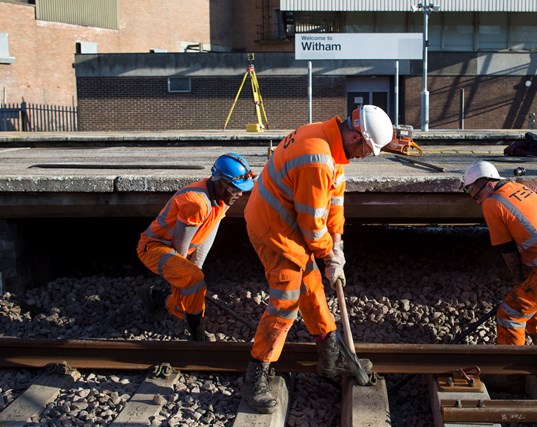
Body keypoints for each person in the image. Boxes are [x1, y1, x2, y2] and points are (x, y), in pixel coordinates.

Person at [241, 105, 394, 413]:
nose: (366, 155)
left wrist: (337, 244)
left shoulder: (329, 141)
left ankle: (332, 357)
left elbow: (334, 199)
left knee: (312, 288)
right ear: (356, 136)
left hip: (288, 223)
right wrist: (328, 256)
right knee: (286, 301)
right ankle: (256, 373)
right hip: (275, 229)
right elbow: (312, 226)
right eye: (367, 149)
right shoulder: (318, 158)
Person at [462, 161, 537, 346]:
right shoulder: (518, 188)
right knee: (532, 299)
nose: (478, 202)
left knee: (509, 313)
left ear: (489, 184)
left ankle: (511, 370)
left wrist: (517, 278)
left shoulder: (492, 203)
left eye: (477, 195)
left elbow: (507, 249)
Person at [137, 153, 255, 341]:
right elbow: (180, 248)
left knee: (184, 298)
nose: (240, 194)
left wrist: (196, 266)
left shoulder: (223, 198)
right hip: (154, 249)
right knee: (192, 281)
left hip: (175, 250)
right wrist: (189, 275)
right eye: (236, 189)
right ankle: (197, 334)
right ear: (221, 183)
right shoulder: (197, 202)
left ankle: (154, 297)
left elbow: (210, 229)